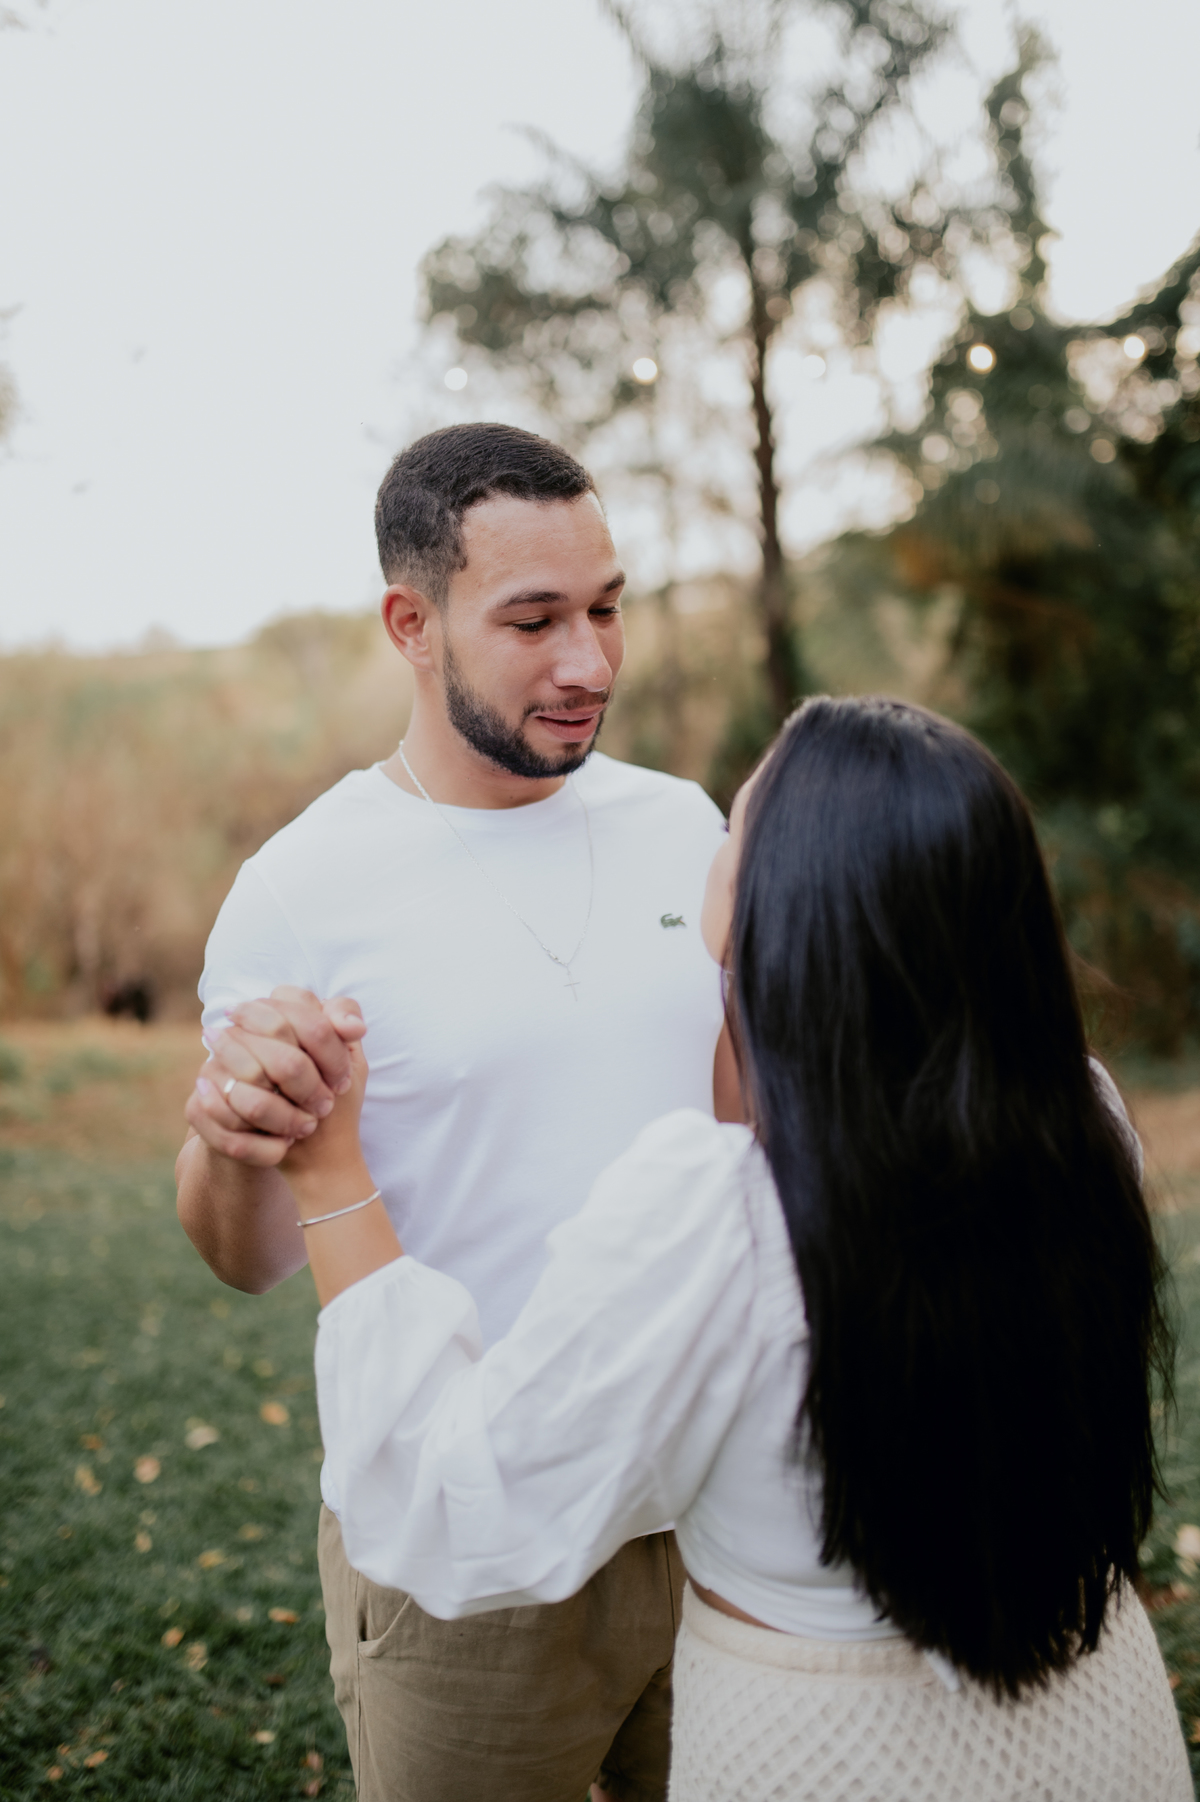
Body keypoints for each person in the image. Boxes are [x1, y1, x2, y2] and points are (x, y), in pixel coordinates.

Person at [272, 695, 1190, 1802]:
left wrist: (330, 1174)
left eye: (740, 825)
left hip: (829, 1757)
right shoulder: (1082, 1122)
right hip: (1099, 1722)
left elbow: (455, 1507)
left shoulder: (719, 1216)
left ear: (780, 910)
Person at [175, 423, 734, 1802]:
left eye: (607, 608)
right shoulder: (303, 886)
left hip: (725, 1512)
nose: (589, 662)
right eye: (534, 621)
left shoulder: (688, 828)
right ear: (411, 625)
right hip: (463, 1549)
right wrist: (235, 1139)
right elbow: (243, 1253)